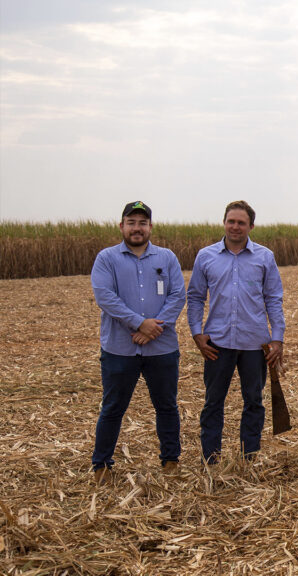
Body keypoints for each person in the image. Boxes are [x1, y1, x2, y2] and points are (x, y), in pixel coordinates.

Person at [90, 201, 185, 484]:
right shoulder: (107, 259)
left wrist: (153, 329)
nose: (137, 228)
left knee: (166, 406)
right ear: (121, 226)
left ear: (150, 227)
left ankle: (170, 461)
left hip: (162, 348)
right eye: (131, 222)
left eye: (142, 223)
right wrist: (139, 323)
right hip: (120, 349)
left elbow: (177, 295)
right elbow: (105, 297)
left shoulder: (167, 258)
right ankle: (102, 465)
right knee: (113, 408)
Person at [187, 200, 285, 463]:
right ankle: (211, 457)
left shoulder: (264, 257)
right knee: (213, 402)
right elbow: (195, 297)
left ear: (251, 226)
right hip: (217, 343)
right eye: (231, 221)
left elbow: (274, 298)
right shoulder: (206, 257)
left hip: (255, 344)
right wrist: (197, 332)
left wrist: (277, 338)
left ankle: (248, 456)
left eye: (241, 222)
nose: (235, 227)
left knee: (253, 401)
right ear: (224, 222)